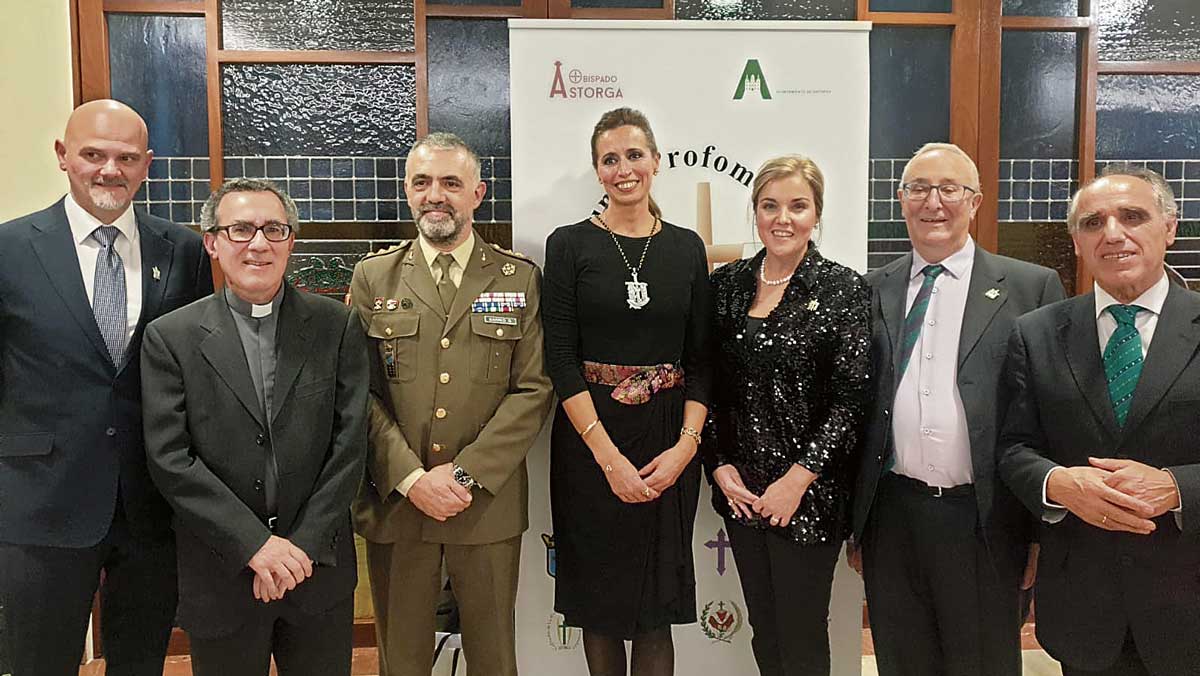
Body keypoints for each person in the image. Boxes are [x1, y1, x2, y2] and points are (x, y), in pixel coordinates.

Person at [0, 99, 212, 676]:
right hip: (40, 501)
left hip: (151, 502)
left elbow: (192, 373)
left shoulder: (184, 250)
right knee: (37, 661)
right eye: (93, 154)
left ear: (147, 165)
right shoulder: (10, 249)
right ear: (63, 157)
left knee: (142, 660)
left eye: (125, 157)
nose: (108, 170)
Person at [850, 142, 1066, 676]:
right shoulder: (870, 289)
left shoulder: (1030, 287)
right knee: (902, 660)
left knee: (983, 663)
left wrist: (1040, 531)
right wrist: (857, 526)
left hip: (986, 520)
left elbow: (1049, 415)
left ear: (976, 202)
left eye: (950, 189)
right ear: (901, 201)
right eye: (919, 188)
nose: (934, 202)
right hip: (892, 518)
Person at [141, 178, 368, 675]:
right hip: (222, 571)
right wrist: (256, 547)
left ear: (291, 240)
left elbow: (349, 446)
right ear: (213, 242)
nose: (259, 243)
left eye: (274, 229)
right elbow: (170, 458)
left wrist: (299, 549)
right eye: (241, 229)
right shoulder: (170, 338)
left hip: (317, 571)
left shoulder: (337, 326)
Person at [350, 132, 553, 676]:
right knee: (403, 660)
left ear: (478, 193)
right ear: (407, 191)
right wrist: (415, 479)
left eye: (450, 183)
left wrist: (463, 476)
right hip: (399, 502)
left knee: (493, 658)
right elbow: (359, 393)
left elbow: (532, 391)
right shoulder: (374, 276)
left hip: (483, 504)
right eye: (422, 182)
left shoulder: (518, 278)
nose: (435, 195)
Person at [999, 165, 1200, 676]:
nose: (1113, 234)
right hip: (1084, 602)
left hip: (1188, 597)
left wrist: (1177, 487)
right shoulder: (1036, 334)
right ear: (1077, 240)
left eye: (1133, 216)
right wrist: (1058, 483)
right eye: (1093, 223)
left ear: (1170, 227)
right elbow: (1014, 448)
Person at [542, 107, 713, 676]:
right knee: (601, 604)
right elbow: (560, 359)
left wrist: (686, 448)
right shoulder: (568, 245)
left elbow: (701, 359)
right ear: (597, 170)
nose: (624, 169)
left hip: (668, 436)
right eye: (610, 159)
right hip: (591, 441)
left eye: (634, 155)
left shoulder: (687, 248)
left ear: (656, 162)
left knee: (656, 608)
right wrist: (607, 456)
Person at [703, 156, 870, 676]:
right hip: (742, 494)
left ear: (816, 213)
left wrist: (796, 482)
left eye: (798, 206)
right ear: (754, 212)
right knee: (765, 632)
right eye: (770, 205)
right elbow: (705, 382)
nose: (783, 218)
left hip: (808, 497)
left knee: (800, 637)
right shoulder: (726, 285)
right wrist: (718, 464)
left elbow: (851, 400)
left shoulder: (843, 289)